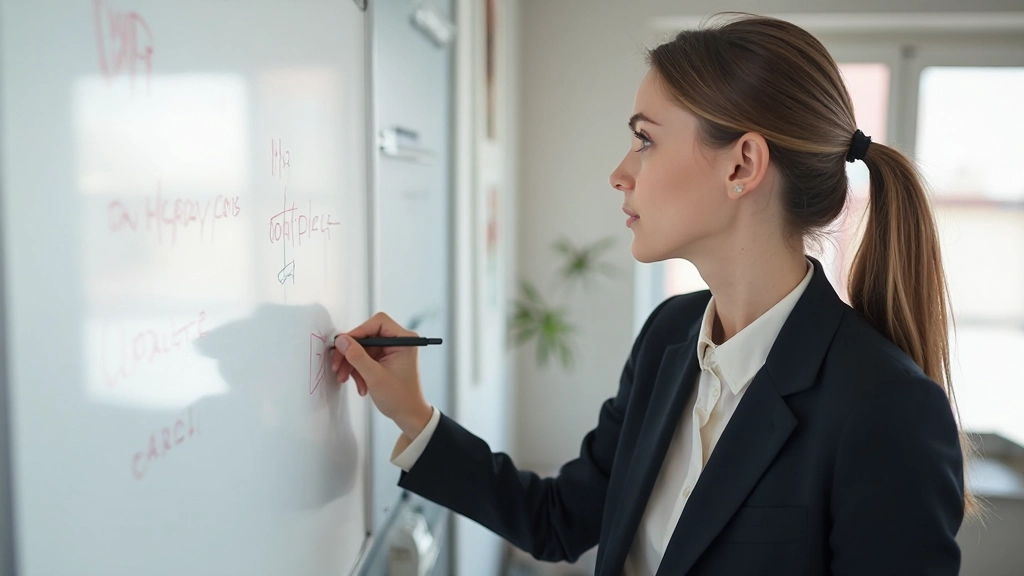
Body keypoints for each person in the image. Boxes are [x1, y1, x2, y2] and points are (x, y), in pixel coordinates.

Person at [331, 13, 968, 575]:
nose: (620, 172)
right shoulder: (670, 334)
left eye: (645, 139)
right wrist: (411, 413)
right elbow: (560, 520)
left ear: (741, 166)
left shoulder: (887, 409)